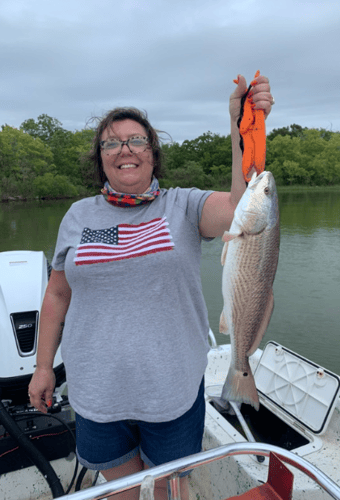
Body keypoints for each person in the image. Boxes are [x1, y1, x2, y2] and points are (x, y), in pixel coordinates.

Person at [28, 73, 273, 500]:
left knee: (163, 487)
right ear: (100, 159)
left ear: (153, 155)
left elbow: (241, 207)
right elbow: (58, 293)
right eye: (111, 143)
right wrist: (44, 365)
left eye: (136, 140)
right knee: (122, 490)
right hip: (95, 392)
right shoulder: (77, 215)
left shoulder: (184, 205)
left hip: (172, 392)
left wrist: (241, 124)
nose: (124, 149)